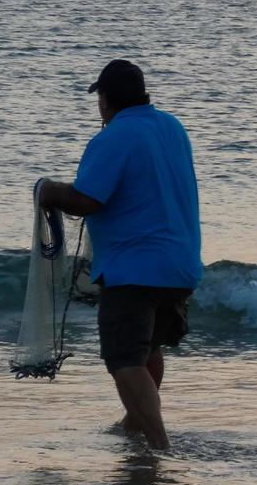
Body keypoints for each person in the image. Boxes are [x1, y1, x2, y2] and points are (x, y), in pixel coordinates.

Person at [36, 59, 203, 451]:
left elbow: (86, 200)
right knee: (148, 348)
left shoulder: (114, 137)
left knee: (124, 359)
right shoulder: (172, 127)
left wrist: (47, 191)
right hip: (180, 265)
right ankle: (134, 425)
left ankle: (160, 445)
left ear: (107, 100)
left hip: (135, 270)